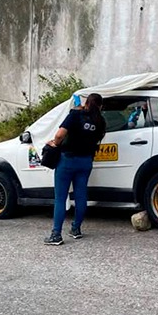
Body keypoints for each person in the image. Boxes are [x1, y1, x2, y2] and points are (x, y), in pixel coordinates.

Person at [44, 94, 106, 246]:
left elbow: (59, 135)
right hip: (86, 162)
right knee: (80, 195)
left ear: (86, 103)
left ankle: (56, 235)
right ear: (101, 106)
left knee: (60, 197)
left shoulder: (75, 115)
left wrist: (54, 144)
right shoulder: (100, 122)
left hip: (68, 160)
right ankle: (76, 229)